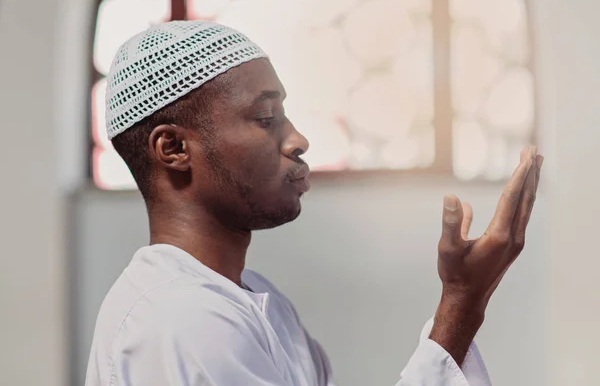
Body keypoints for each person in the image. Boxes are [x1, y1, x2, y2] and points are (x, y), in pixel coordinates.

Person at [85, 21, 543, 386]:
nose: (298, 140)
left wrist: (462, 302)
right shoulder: (179, 319)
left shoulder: (255, 302)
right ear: (173, 150)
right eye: (265, 118)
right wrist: (463, 303)